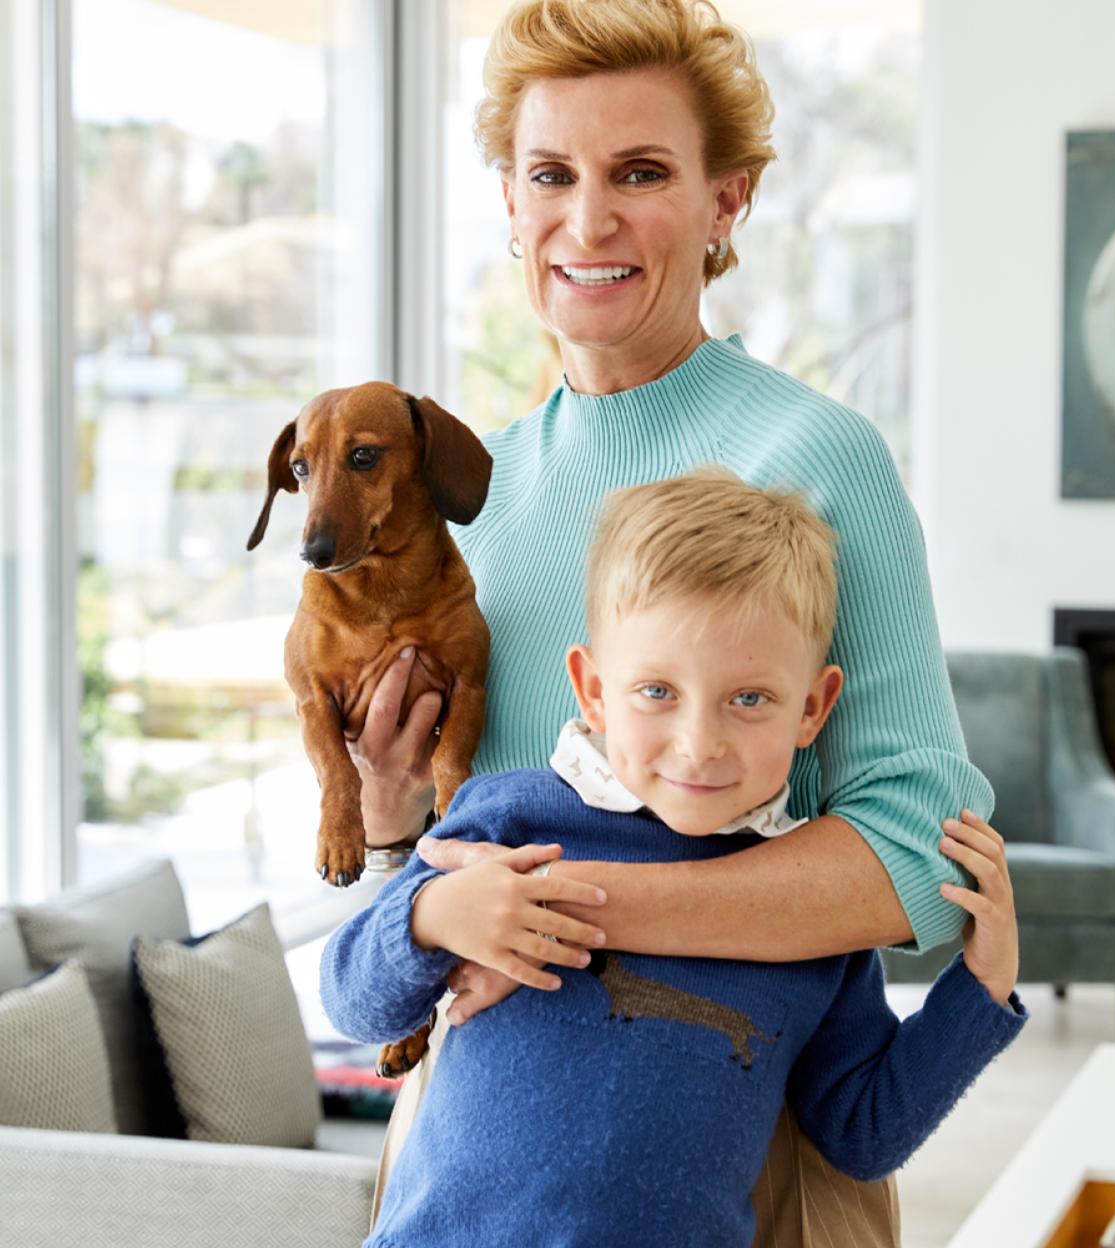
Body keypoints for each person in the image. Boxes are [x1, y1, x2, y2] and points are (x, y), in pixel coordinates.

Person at [347, 1, 997, 1241]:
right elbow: (441, 873)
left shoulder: (812, 458)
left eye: (639, 173)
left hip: (746, 1144)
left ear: (726, 202)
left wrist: (572, 911)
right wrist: (390, 828)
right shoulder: (475, 504)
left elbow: (920, 853)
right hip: (474, 1138)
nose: (587, 222)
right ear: (508, 198)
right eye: (551, 174)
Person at [322, 471, 1026, 1248]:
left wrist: (982, 990)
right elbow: (355, 1003)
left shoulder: (813, 931)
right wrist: (430, 917)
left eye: (749, 699)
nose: (699, 743)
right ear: (592, 690)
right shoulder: (506, 818)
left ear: (812, 709)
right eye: (657, 691)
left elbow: (863, 1133)